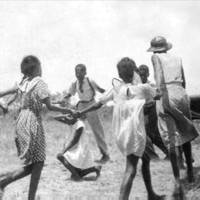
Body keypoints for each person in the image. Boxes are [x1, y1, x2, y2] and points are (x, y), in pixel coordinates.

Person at [72, 57, 165, 200]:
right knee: (131, 169)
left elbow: (99, 103)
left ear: (119, 74)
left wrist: (82, 112)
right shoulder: (143, 88)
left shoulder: (116, 89)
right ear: (135, 72)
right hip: (136, 133)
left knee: (145, 159)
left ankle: (151, 194)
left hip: (122, 133)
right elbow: (159, 94)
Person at [0, 55, 71, 200]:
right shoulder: (39, 82)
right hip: (32, 121)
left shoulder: (23, 82)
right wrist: (69, 111)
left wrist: (3, 104)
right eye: (40, 66)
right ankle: (23, 193)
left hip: (21, 121)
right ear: (37, 68)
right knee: (38, 162)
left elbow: (44, 101)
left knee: (36, 162)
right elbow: (50, 106)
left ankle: (4, 183)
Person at [147, 36, 199, 199]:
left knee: (171, 138)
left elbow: (159, 76)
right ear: (166, 47)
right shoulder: (177, 57)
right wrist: (181, 96)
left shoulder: (155, 57)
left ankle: (178, 180)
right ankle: (190, 173)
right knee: (185, 133)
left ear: (155, 49)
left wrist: (159, 94)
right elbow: (184, 80)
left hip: (166, 93)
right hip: (181, 93)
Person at [63, 64, 109, 163]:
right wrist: (64, 98)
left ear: (85, 72)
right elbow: (70, 93)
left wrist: (112, 94)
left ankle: (105, 154)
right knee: (76, 127)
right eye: (76, 72)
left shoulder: (90, 81)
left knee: (97, 130)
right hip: (81, 105)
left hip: (91, 105)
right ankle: (72, 154)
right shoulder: (74, 83)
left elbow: (100, 90)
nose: (78, 74)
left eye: (80, 71)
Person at [55, 112, 101, 181]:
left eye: (69, 117)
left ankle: (76, 176)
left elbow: (75, 141)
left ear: (75, 117)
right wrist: (64, 115)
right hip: (75, 147)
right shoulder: (71, 121)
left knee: (60, 156)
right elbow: (55, 117)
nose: (66, 120)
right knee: (78, 171)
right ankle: (94, 168)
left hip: (80, 148)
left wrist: (64, 151)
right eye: (67, 118)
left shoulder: (80, 125)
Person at [138, 65, 169, 159]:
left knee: (151, 134)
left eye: (143, 75)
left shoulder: (150, 85)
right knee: (151, 135)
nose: (141, 77)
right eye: (140, 75)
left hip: (152, 109)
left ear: (148, 74)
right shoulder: (139, 86)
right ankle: (166, 154)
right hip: (144, 111)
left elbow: (158, 95)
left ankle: (160, 155)